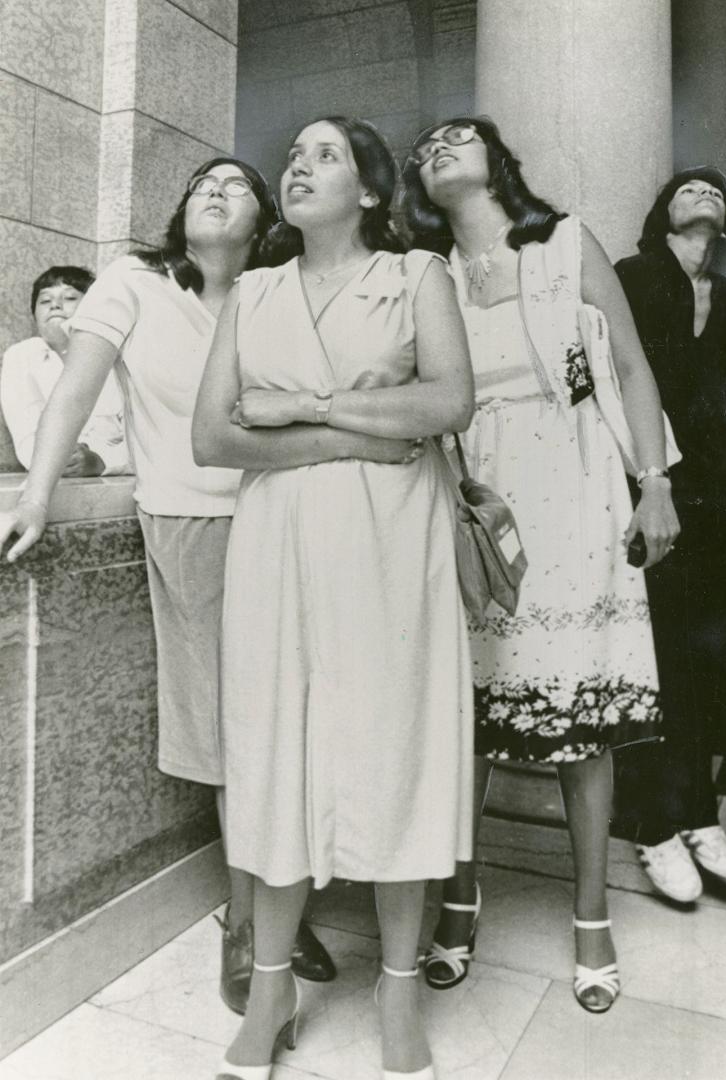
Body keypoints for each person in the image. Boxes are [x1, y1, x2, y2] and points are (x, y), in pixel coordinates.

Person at [0, 158, 335, 1013]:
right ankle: (249, 920)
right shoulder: (133, 281)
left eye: (237, 182)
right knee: (232, 723)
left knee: (298, 714)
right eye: (201, 182)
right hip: (191, 524)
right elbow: (72, 392)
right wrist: (36, 493)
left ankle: (280, 898)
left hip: (295, 514)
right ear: (180, 210)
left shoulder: (279, 290)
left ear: (264, 215)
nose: (216, 188)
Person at [192, 116, 475, 1080]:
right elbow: (213, 438)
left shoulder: (415, 277)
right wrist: (351, 436)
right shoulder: (257, 291)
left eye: (325, 156)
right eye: (294, 156)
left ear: (366, 191)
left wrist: (308, 409)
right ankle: (270, 987)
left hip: (393, 542)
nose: (298, 166)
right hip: (276, 547)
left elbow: (444, 405)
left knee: (397, 750)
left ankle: (398, 992)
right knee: (273, 753)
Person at [402, 116, 680, 1014]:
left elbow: (631, 369)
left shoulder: (563, 243)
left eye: (458, 136)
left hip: (574, 482)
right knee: (464, 705)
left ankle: (591, 912)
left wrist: (653, 484)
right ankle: (459, 894)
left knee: (579, 708)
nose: (437, 147)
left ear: (497, 161)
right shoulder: (426, 273)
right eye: (425, 146)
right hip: (470, 490)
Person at [613, 168, 726, 902]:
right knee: (654, 650)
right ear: (660, 208)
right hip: (648, 481)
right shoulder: (630, 275)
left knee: (710, 651)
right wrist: (642, 482)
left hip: (720, 491)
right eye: (687, 185)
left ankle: (699, 814)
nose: (704, 190)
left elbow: (724, 397)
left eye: (714, 189)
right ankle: (650, 823)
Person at [1, 265, 129, 475]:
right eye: (44, 301)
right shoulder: (21, 356)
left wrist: (102, 461)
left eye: (70, 298)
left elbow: (144, 444)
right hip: (49, 479)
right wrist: (60, 461)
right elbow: (25, 431)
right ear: (34, 314)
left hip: (117, 480)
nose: (55, 306)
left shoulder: (118, 363)